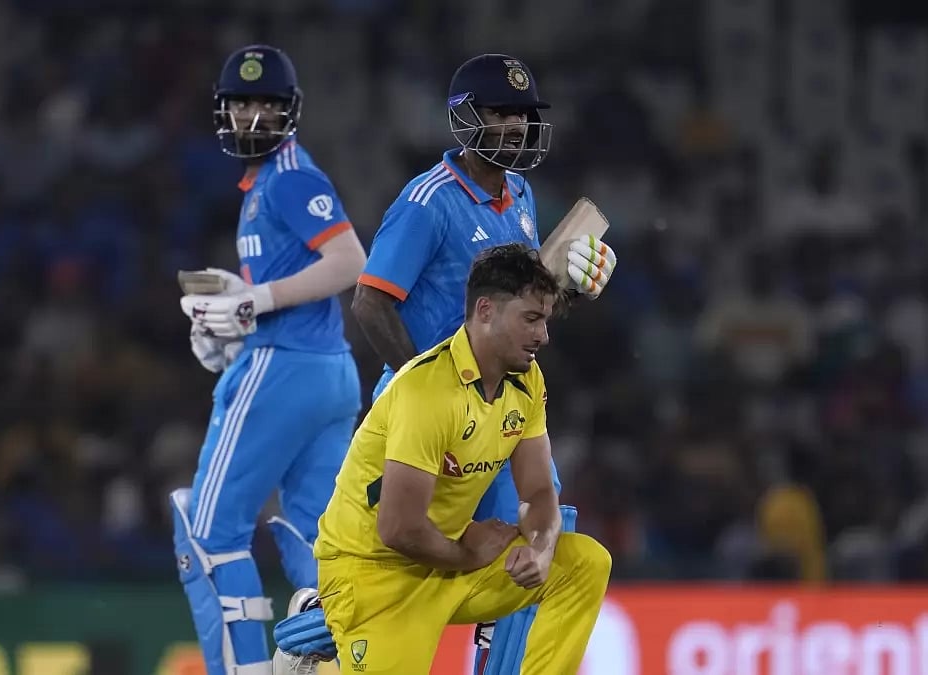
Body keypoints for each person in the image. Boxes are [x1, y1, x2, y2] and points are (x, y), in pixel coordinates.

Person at [350, 54, 617, 673]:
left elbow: (521, 303)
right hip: (431, 414)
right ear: (465, 118)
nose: (518, 126)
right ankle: (313, 632)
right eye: (502, 113)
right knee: (409, 565)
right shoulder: (428, 202)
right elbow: (370, 303)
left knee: (541, 536)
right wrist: (433, 387)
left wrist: (571, 283)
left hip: (499, 406)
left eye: (524, 116)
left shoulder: (518, 192)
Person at [295, 243, 612, 675]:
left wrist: (539, 549)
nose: (543, 336)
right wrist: (468, 553)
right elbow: (398, 529)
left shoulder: (526, 380)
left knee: (584, 563)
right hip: (376, 575)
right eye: (531, 319)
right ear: (485, 311)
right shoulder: (427, 391)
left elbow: (538, 489)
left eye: (546, 320)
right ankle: (315, 659)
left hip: (449, 559)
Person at [168, 44, 366, 675]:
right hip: (331, 376)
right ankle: (328, 664)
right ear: (226, 111)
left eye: (267, 104)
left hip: (284, 369)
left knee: (205, 536)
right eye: (244, 103)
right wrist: (236, 308)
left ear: (291, 111)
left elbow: (349, 263)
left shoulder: (289, 177)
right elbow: (293, 278)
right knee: (316, 541)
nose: (254, 116)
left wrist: (252, 306)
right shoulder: (267, 184)